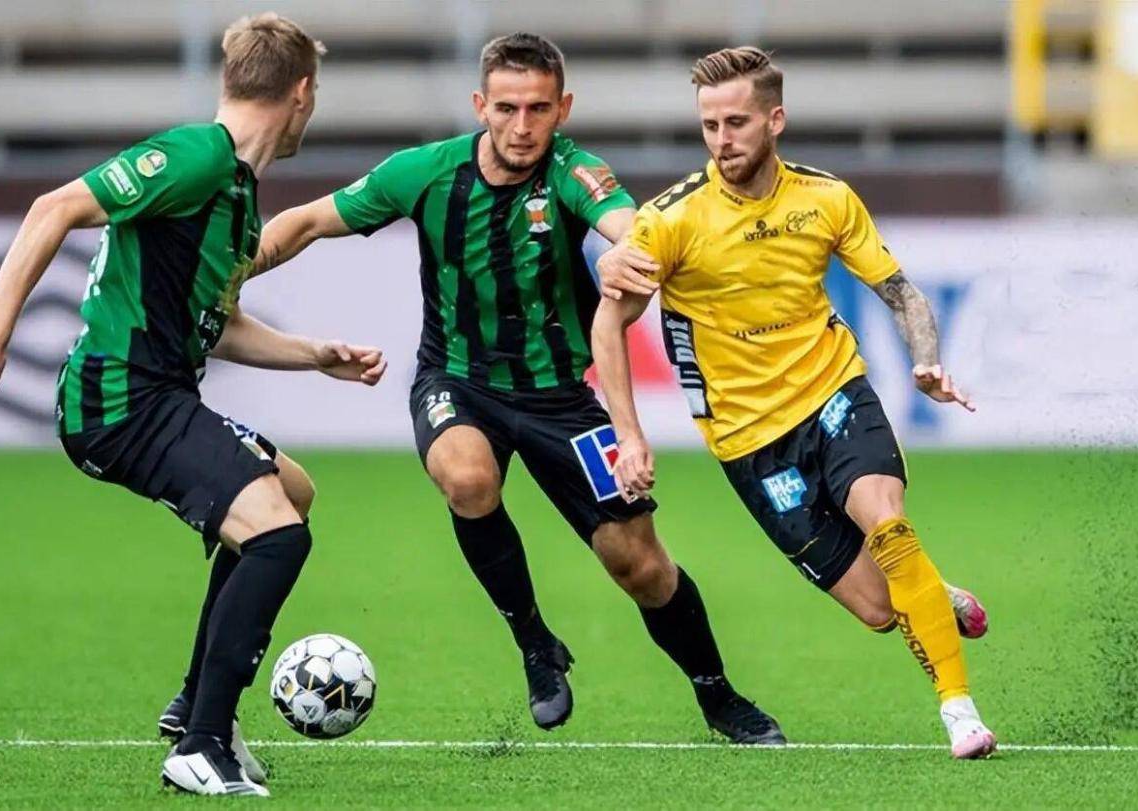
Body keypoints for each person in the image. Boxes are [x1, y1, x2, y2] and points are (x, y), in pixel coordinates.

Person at [254, 33, 783, 744]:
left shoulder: (573, 170)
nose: (522, 126)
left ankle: (718, 695)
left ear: (563, 108)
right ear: (481, 106)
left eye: (539, 108)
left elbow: (624, 224)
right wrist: (224, 274)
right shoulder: (424, 173)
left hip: (561, 398)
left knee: (640, 566)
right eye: (506, 108)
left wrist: (628, 252)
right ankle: (535, 643)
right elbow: (304, 223)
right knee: (467, 478)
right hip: (457, 381)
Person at [0, 13, 386, 795]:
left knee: (291, 494)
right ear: (302, 93)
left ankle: (194, 708)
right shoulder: (196, 155)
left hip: (157, 391)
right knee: (277, 536)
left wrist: (312, 354)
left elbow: (215, 325)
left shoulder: (234, 192)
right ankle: (203, 742)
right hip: (120, 398)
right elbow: (53, 208)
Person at [591, 46, 996, 759]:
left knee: (887, 523)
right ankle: (933, 594)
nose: (722, 140)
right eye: (709, 125)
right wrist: (630, 435)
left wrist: (926, 358)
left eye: (737, 123)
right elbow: (609, 324)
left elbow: (899, 292)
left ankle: (958, 710)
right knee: (879, 607)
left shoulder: (825, 198)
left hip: (833, 393)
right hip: (748, 441)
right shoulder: (672, 219)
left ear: (774, 120)